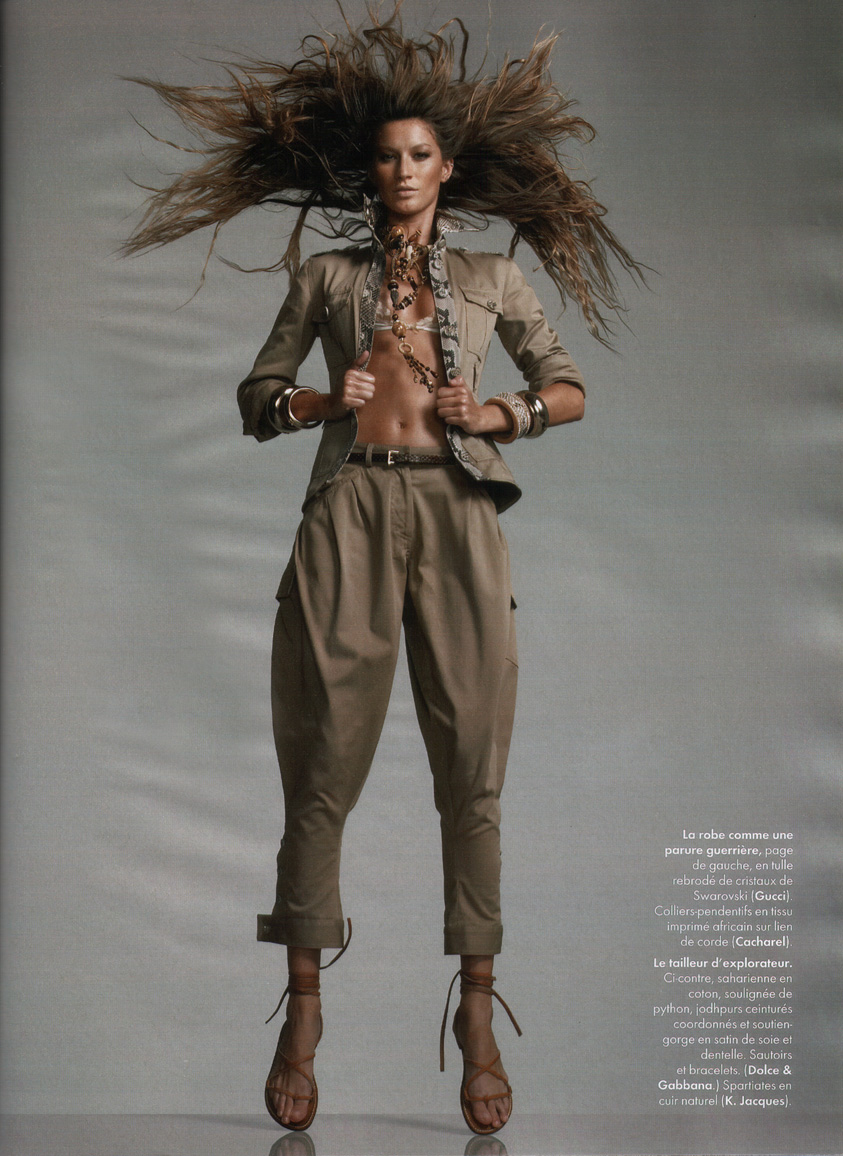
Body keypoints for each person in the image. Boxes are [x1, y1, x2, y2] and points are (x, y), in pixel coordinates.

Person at [124, 7, 639, 1136]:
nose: (403, 171)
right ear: (370, 174)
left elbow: (568, 386)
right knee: (319, 767)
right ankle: (304, 1013)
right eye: (387, 157)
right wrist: (319, 399)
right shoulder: (326, 277)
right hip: (348, 509)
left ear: (446, 170)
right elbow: (256, 397)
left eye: (419, 155)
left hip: (458, 512)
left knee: (473, 772)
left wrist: (499, 411)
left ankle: (478, 1014)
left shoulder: (492, 276)